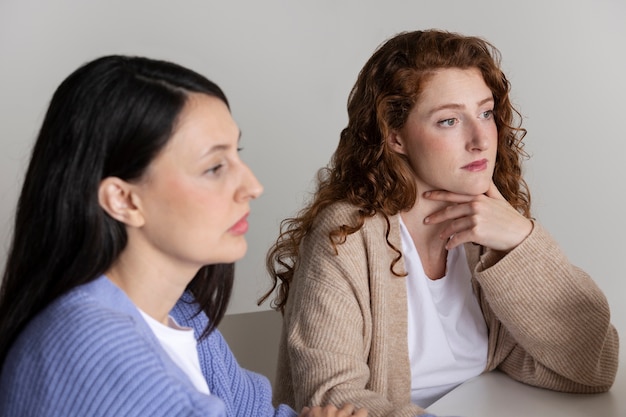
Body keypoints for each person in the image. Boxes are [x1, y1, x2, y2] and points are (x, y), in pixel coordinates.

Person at [262, 29, 620, 417]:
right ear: (395, 135)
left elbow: (592, 368)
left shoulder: (489, 225)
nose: (481, 139)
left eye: (485, 113)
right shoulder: (346, 235)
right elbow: (334, 399)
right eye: (449, 120)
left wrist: (522, 240)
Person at [0, 55, 370, 417]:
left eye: (236, 155)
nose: (252, 187)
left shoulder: (182, 315)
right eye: (214, 167)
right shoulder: (87, 346)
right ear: (124, 199)